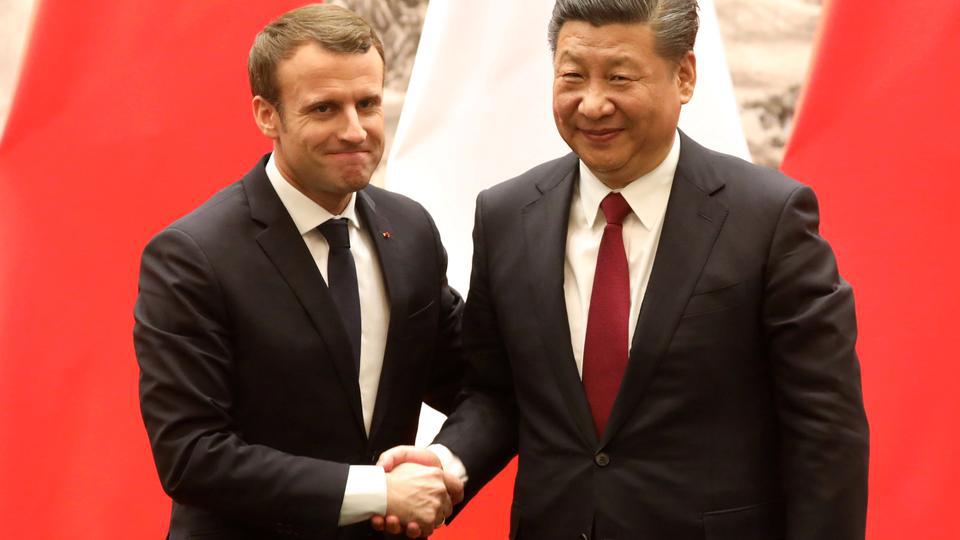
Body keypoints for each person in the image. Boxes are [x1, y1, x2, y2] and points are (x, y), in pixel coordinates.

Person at [377, 0, 869, 538]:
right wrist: (447, 463)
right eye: (572, 77)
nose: (591, 104)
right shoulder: (506, 216)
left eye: (618, 77)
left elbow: (825, 429)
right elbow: (497, 392)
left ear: (683, 76)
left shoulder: (769, 219)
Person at [133, 5, 464, 539]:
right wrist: (377, 492)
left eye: (368, 103)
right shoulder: (192, 257)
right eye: (325, 108)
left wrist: (448, 465)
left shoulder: (411, 231)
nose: (355, 130)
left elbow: (478, 380)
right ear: (267, 115)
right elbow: (191, 456)